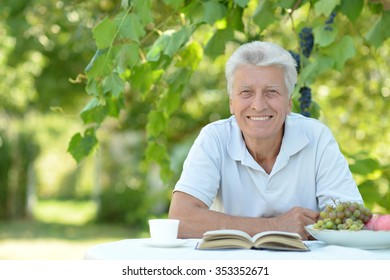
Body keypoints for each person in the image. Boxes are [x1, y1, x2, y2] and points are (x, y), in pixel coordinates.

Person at [168, 41, 363, 240]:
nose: (259, 105)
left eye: (272, 92)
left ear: (289, 103)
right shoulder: (214, 139)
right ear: (231, 103)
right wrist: (274, 226)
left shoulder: (317, 137)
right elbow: (180, 221)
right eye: (246, 92)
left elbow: (350, 221)